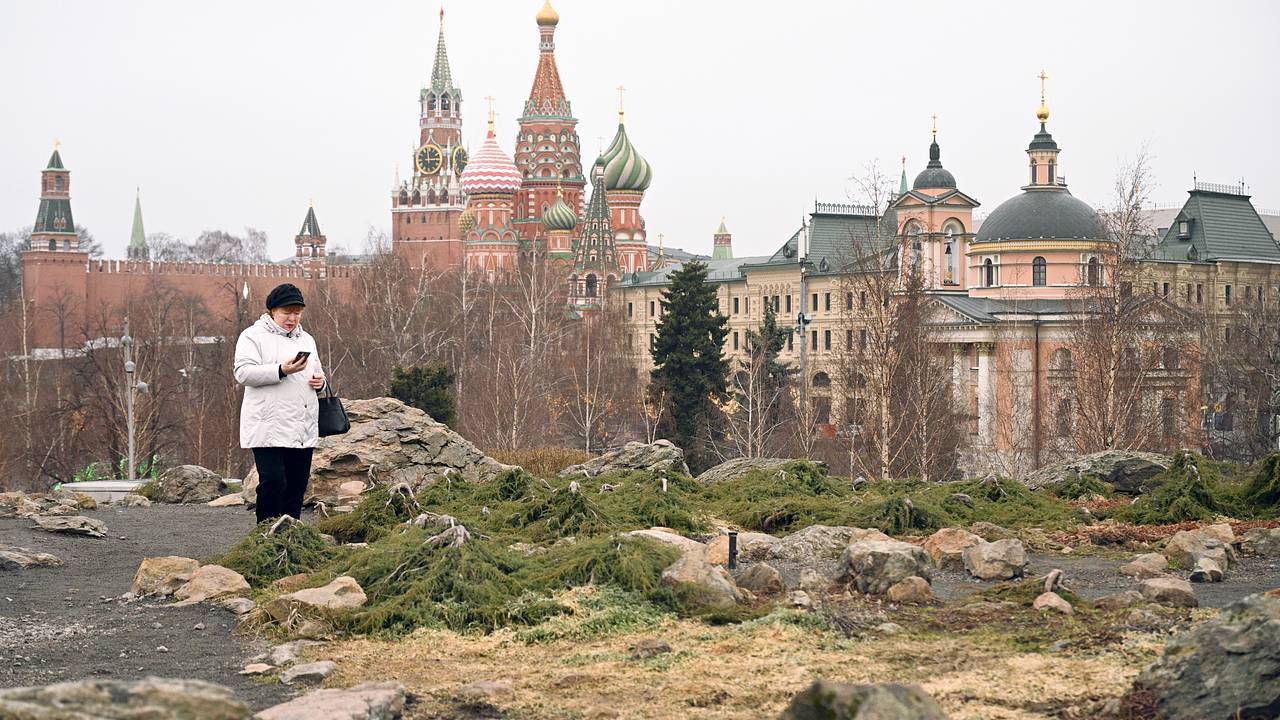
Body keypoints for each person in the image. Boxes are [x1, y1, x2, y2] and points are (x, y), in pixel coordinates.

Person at [234, 283, 326, 523]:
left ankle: (290, 537)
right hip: (268, 425)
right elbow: (243, 373)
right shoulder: (252, 336)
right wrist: (280, 370)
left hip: (301, 425)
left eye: (297, 313)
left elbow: (318, 372)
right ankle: (264, 535)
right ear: (272, 311)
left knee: (296, 487)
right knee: (274, 482)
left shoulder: (307, 339)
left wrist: (320, 382)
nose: (292, 318)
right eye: (287, 312)